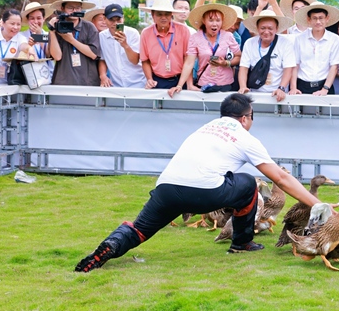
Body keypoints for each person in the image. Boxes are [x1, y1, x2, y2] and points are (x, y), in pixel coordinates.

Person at [74, 93, 324, 272]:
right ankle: (241, 243)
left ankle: (112, 245)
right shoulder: (244, 136)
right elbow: (280, 177)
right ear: (246, 118)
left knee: (140, 229)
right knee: (248, 182)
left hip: (166, 188)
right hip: (205, 192)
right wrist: (319, 205)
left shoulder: (204, 128)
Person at [171, 2, 238, 95]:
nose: (214, 24)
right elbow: (189, 63)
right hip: (204, 83)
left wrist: (226, 63)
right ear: (204, 20)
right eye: (210, 20)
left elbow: (239, 56)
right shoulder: (195, 38)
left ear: (222, 21)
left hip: (225, 83)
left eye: (218, 20)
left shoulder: (228, 36)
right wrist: (179, 85)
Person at [237, 9, 296, 101]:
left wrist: (281, 88)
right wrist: (243, 87)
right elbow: (243, 68)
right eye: (263, 28)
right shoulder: (249, 43)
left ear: (276, 28)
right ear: (257, 28)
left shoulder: (285, 43)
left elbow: (288, 69)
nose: (266, 31)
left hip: (278, 94)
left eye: (270, 28)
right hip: (255, 92)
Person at [48, 0, 101, 86]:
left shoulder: (89, 27)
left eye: (77, 8)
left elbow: (94, 54)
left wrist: (71, 40)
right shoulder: (57, 27)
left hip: (87, 82)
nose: (74, 10)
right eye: (70, 7)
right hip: (63, 82)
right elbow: (57, 57)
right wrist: (52, 31)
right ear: (62, 8)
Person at [290, 2, 339, 95]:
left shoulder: (334, 39)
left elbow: (334, 67)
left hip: (325, 85)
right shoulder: (299, 39)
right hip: (302, 86)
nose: (318, 22)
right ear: (309, 20)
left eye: (321, 18)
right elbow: (295, 65)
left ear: (327, 18)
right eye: (314, 18)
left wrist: (325, 89)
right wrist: (293, 88)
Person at [139, 0, 190, 90]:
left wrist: (180, 84)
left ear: (171, 15)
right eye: (159, 14)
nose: (163, 17)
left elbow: (188, 59)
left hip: (180, 79)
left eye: (167, 14)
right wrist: (149, 79)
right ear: (153, 15)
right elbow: (145, 60)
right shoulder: (146, 33)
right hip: (157, 80)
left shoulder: (183, 31)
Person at [98, 4, 144, 88]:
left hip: (138, 83)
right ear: (105, 19)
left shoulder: (133, 33)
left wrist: (125, 45)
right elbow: (102, 59)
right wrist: (103, 76)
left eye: (118, 19)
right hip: (116, 85)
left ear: (123, 18)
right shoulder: (102, 36)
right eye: (111, 20)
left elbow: (135, 61)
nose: (115, 23)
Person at [21, 2, 61, 80]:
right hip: (28, 77)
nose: (36, 22)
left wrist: (39, 36)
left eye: (39, 18)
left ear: (44, 19)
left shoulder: (50, 35)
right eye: (32, 18)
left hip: (48, 76)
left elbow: (49, 54)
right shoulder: (22, 36)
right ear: (28, 20)